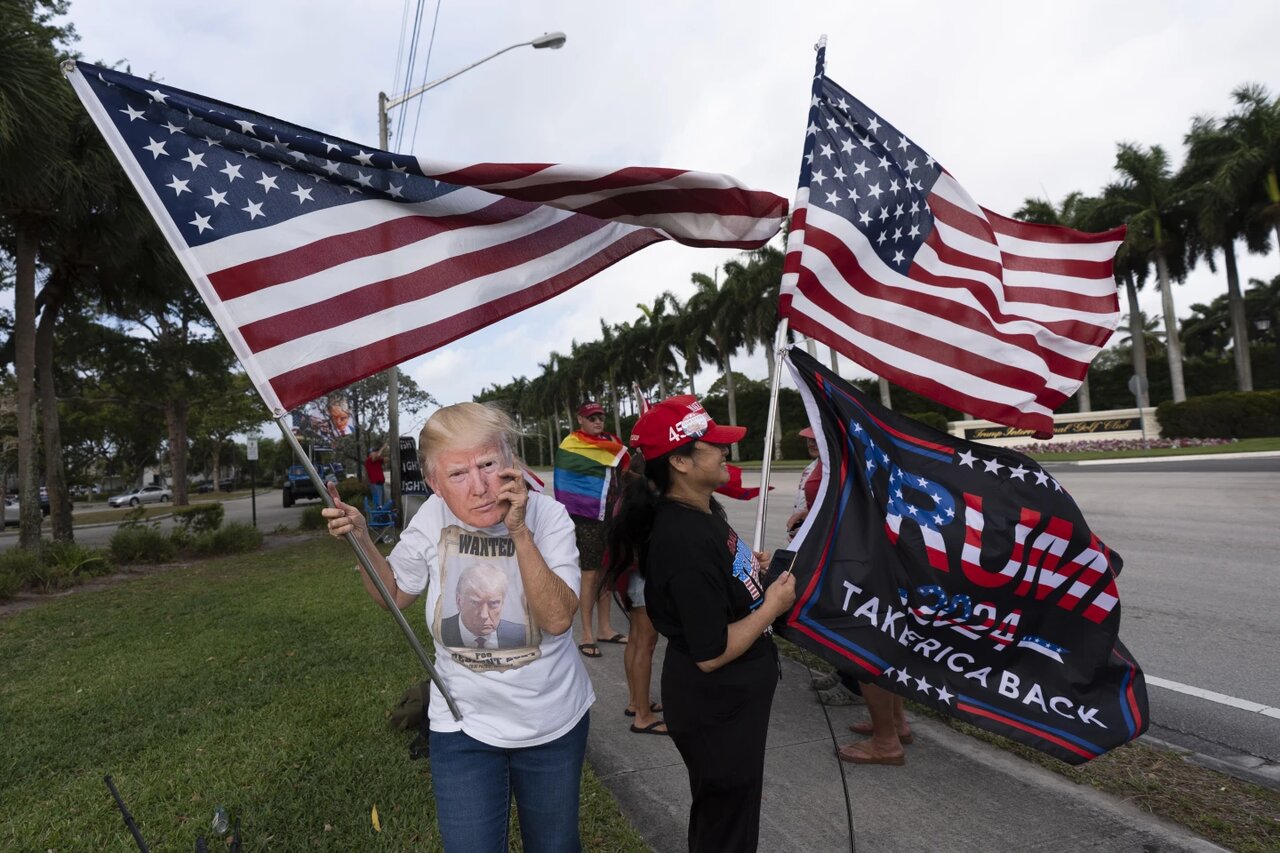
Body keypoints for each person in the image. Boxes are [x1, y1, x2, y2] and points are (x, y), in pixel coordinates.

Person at [323, 402, 592, 852]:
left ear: (510, 461)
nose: (481, 487)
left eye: (488, 464)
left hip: (551, 720)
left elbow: (558, 619)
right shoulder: (432, 518)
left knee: (555, 845)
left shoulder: (548, 517)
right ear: (434, 483)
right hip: (461, 720)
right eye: (459, 474)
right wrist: (362, 538)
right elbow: (394, 594)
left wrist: (519, 531)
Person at [605, 395, 796, 853]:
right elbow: (710, 653)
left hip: (733, 704)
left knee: (726, 813)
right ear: (680, 462)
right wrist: (771, 605)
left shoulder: (704, 511)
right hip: (717, 705)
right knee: (725, 827)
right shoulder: (682, 538)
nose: (725, 452)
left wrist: (749, 568)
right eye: (713, 445)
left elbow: (717, 583)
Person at [553, 401, 629, 659]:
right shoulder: (572, 444)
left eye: (600, 417)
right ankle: (586, 633)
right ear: (580, 420)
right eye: (592, 417)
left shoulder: (612, 442)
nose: (597, 421)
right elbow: (567, 481)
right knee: (590, 575)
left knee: (607, 572)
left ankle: (605, 628)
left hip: (611, 517)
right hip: (585, 520)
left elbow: (623, 473)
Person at [440, 562, 529, 649]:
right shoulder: (442, 630)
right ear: (459, 601)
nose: (484, 615)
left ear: (503, 603)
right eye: (475, 603)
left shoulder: (521, 634)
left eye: (494, 603)